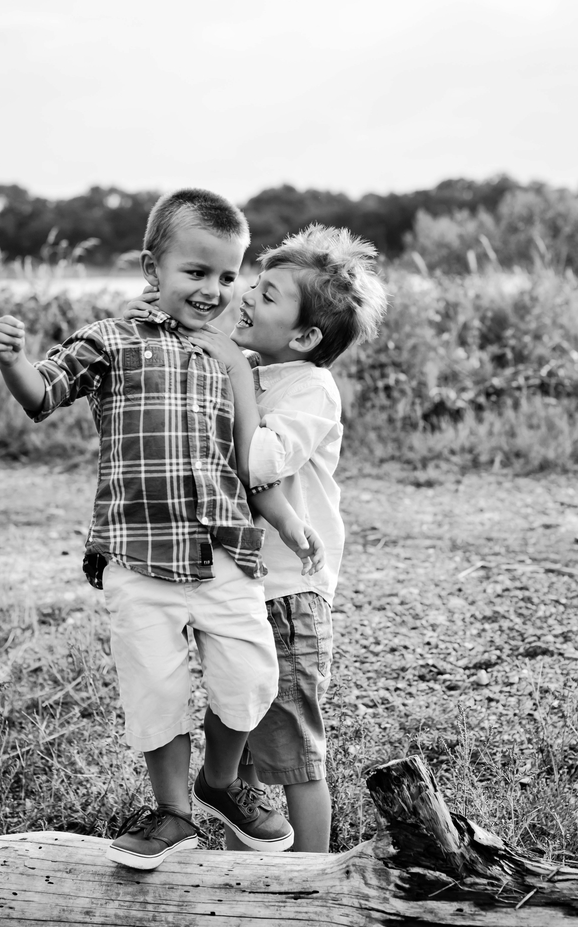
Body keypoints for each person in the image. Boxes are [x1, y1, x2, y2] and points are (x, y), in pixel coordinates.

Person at [0, 189, 322, 871]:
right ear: (153, 267)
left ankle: (220, 782)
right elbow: (43, 395)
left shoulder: (234, 359)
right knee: (157, 690)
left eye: (228, 277)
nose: (214, 290)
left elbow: (251, 455)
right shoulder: (111, 340)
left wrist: (284, 516)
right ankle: (172, 812)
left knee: (253, 678)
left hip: (225, 549)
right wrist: (11, 361)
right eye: (196, 273)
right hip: (137, 554)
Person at [184, 224, 388, 852]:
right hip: (238, 579)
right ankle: (253, 858)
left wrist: (239, 381)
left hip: (290, 589)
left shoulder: (309, 389)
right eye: (254, 282)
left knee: (293, 743)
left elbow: (261, 461)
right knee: (239, 704)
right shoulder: (249, 365)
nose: (245, 295)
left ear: (304, 337)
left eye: (267, 295)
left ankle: (309, 881)